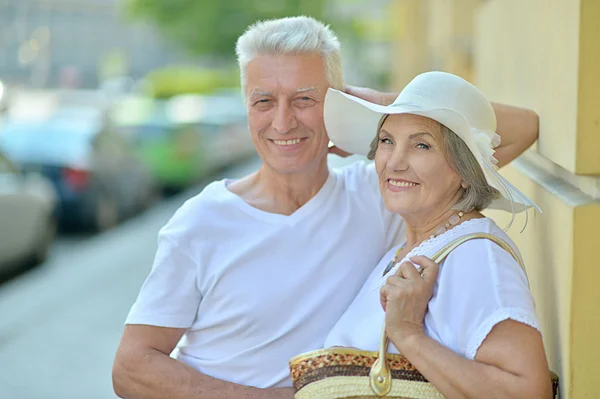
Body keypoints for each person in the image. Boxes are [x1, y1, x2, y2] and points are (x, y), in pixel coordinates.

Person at [112, 17, 541, 399]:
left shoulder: (385, 193)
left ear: (333, 105)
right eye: (264, 101)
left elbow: (522, 129)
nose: (283, 122)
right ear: (246, 108)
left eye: (304, 100)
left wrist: (384, 108)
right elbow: (131, 369)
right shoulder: (201, 223)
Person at [298, 71, 552, 398]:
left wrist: (409, 334)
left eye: (421, 144)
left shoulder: (475, 256)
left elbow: (528, 393)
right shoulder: (414, 248)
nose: (395, 162)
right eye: (387, 140)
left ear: (464, 170)